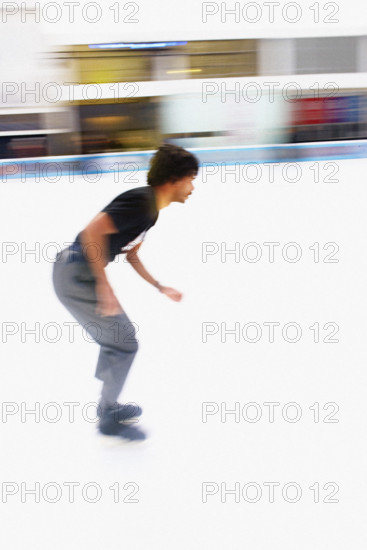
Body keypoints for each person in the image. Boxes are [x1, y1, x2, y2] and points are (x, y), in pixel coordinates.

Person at [52, 144, 199, 440]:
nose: (193, 187)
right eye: (191, 179)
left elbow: (131, 254)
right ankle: (108, 417)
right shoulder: (142, 202)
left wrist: (160, 286)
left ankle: (108, 406)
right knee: (123, 342)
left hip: (76, 272)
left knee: (117, 341)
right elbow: (93, 230)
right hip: (76, 272)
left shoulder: (151, 212)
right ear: (173, 180)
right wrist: (104, 284)